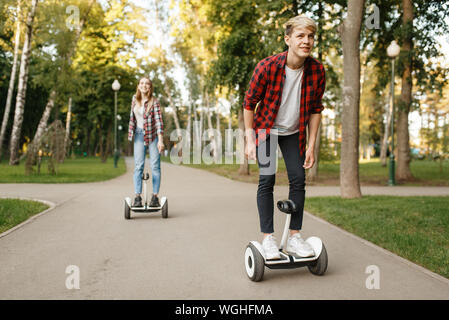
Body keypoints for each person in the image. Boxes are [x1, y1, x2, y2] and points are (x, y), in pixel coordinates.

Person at [243, 15, 325, 259]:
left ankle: (295, 237)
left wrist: (311, 146)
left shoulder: (317, 70)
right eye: (301, 36)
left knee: (298, 179)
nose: (306, 41)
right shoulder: (267, 66)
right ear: (288, 39)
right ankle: (268, 239)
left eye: (310, 36)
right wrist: (249, 140)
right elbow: (249, 104)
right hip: (266, 130)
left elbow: (316, 110)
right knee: (267, 179)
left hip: (294, 132)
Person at [128, 77, 165, 207]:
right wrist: (130, 133)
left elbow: (159, 122)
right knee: (138, 166)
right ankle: (137, 197)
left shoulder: (154, 102)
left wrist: (160, 141)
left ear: (150, 87)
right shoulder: (134, 99)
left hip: (153, 136)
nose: (144, 85)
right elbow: (132, 118)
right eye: (142, 83)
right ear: (138, 86)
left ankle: (155, 197)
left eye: (147, 84)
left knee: (155, 166)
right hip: (138, 135)